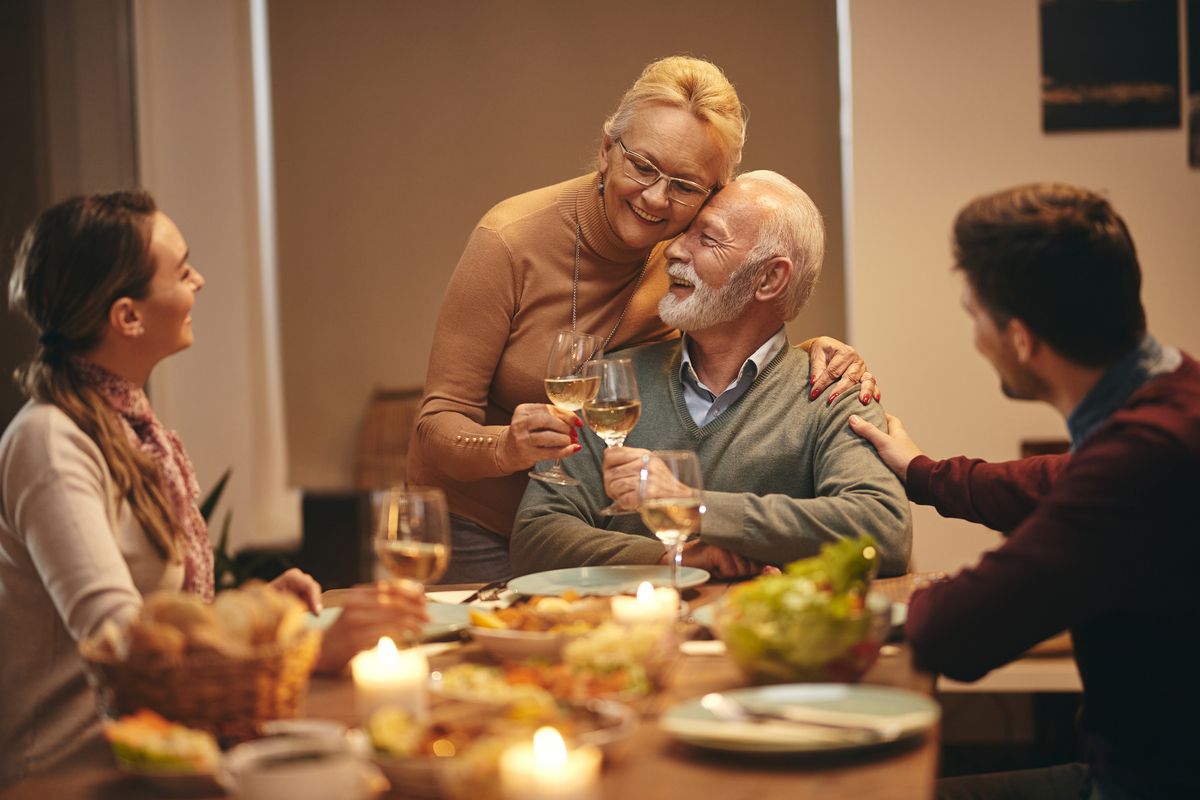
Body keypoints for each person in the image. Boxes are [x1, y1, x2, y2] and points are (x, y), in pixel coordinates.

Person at [0, 191, 426, 785]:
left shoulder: (127, 427)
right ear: (128, 316)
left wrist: (252, 615)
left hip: (165, 750)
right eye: (180, 271)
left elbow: (163, 619)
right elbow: (130, 646)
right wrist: (305, 650)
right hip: (84, 772)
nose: (198, 281)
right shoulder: (51, 441)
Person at [409, 55, 881, 583]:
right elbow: (435, 423)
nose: (656, 198)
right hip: (475, 519)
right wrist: (505, 447)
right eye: (643, 167)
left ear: (712, 193)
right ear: (607, 150)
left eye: (684, 185)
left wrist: (810, 354)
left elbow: (745, 311)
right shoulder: (509, 240)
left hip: (594, 528)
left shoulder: (678, 251)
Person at [848, 183, 1200, 799]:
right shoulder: (1173, 399)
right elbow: (1057, 482)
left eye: (974, 315)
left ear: (1020, 339)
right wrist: (921, 472)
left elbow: (959, 633)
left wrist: (866, 609)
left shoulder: (1137, 461)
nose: (975, 336)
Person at [511, 171, 912, 578]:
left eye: (706, 238)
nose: (673, 250)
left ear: (770, 278)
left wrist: (696, 507)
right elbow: (536, 534)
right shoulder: (613, 383)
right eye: (686, 232)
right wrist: (671, 560)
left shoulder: (833, 389)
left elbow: (883, 531)